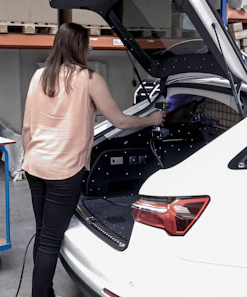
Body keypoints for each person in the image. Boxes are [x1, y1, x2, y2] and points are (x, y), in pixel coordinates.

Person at [22, 23, 165, 297]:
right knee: (51, 241)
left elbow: (27, 127)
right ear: (79, 47)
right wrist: (152, 119)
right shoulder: (89, 78)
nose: (91, 48)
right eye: (88, 44)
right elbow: (120, 120)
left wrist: (32, 158)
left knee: (43, 235)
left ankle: (44, 291)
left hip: (35, 165)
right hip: (64, 171)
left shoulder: (39, 75)